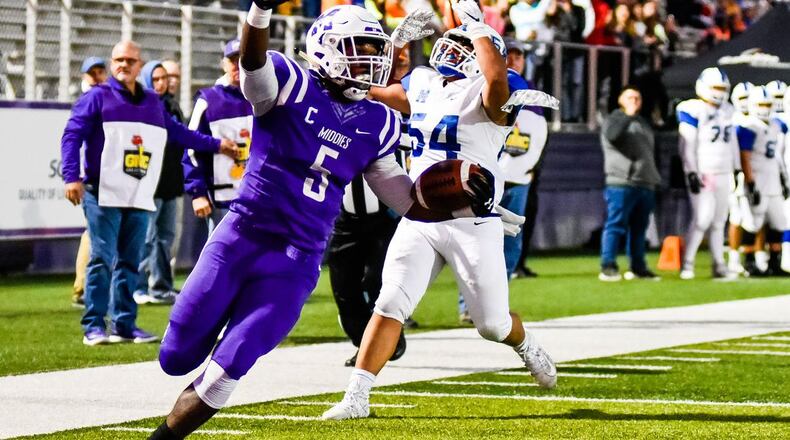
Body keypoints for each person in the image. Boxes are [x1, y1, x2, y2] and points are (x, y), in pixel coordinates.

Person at [147, 4, 498, 438]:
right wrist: (260, 12)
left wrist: (462, 203)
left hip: (295, 262)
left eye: (375, 48)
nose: (371, 58)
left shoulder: (382, 121)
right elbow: (252, 62)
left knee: (229, 367)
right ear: (327, 48)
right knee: (175, 357)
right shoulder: (288, 82)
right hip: (240, 239)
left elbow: (406, 201)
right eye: (360, 48)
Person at [322, 0, 556, 421]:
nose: (453, 46)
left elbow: (497, 76)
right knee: (389, 301)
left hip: (473, 219)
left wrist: (476, 25)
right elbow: (375, 92)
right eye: (455, 39)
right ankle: (356, 397)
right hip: (422, 213)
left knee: (491, 325)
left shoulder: (494, 92)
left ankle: (523, 342)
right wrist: (339, 76)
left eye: (466, 42)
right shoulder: (423, 83)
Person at [60, 40, 240, 347]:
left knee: (131, 260)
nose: (123, 65)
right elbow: (72, 134)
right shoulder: (97, 98)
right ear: (112, 61)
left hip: (138, 192)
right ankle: (93, 326)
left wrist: (216, 145)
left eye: (130, 60)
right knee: (102, 258)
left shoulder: (151, 103)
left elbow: (180, 133)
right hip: (101, 191)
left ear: (139, 64)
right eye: (118, 59)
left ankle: (124, 325)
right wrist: (71, 176)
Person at [458, 37, 548, 323]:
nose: (515, 60)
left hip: (519, 180)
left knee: (509, 246)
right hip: (487, 179)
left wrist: (530, 169)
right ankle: (468, 305)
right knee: (477, 242)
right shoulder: (481, 87)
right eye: (510, 55)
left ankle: (496, 304)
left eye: (520, 56)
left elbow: (537, 138)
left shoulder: (530, 95)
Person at [183, 39, 253, 234]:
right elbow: (191, 149)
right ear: (223, 63)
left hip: (258, 198)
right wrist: (197, 192)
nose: (238, 65)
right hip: (223, 199)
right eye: (233, 60)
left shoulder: (262, 97)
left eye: (243, 59)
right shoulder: (209, 100)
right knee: (222, 260)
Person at [133, 61, 188, 305]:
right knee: (147, 237)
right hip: (150, 183)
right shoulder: (143, 106)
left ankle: (162, 286)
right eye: (155, 79)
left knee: (165, 238)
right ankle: (139, 286)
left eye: (164, 78)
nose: (162, 83)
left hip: (171, 181)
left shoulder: (172, 106)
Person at [676, 67, 739, 280]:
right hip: (704, 172)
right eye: (716, 87)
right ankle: (688, 264)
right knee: (702, 219)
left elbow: (733, 143)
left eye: (722, 88)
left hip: (723, 171)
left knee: (720, 220)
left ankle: (718, 264)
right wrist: (691, 172)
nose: (720, 92)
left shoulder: (728, 110)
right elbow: (687, 144)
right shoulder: (693, 109)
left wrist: (737, 168)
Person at [598, 85, 661, 282]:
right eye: (630, 97)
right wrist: (628, 115)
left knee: (640, 228)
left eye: (637, 98)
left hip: (645, 181)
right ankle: (608, 265)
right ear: (620, 100)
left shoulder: (643, 122)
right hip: (622, 181)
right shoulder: (614, 119)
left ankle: (638, 266)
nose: (634, 101)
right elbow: (612, 136)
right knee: (616, 224)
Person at [736, 86, 789, 277]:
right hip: (757, 181)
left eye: (768, 104)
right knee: (752, 222)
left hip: (773, 181)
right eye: (761, 104)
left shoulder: (775, 125)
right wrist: (750, 183)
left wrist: (783, 179)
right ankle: (749, 263)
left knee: (779, 222)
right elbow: (745, 157)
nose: (765, 108)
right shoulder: (749, 126)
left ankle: (774, 262)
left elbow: (776, 155)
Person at [72, 56, 109, 308]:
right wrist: (74, 175)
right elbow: (73, 137)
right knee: (95, 239)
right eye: (91, 72)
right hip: (95, 179)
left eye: (100, 71)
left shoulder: (105, 97)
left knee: (97, 238)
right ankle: (83, 289)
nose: (96, 76)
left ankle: (86, 289)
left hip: (111, 178)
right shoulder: (90, 99)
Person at [727, 81, 753, 274]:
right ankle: (734, 258)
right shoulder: (731, 119)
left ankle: (753, 256)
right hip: (736, 173)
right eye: (743, 98)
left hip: (756, 174)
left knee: (755, 217)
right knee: (737, 216)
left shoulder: (756, 121)